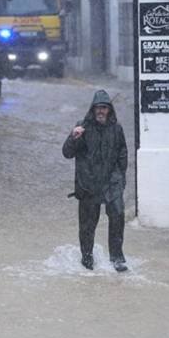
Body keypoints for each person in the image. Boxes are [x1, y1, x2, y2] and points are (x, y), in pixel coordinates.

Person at [62, 90, 129, 272]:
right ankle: (87, 258)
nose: (101, 111)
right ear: (93, 109)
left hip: (111, 183)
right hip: (88, 185)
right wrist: (73, 137)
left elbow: (122, 154)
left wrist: (120, 178)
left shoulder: (116, 129)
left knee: (117, 217)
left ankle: (117, 258)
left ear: (109, 110)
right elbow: (67, 153)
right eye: (98, 108)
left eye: (104, 108)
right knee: (87, 225)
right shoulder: (82, 128)